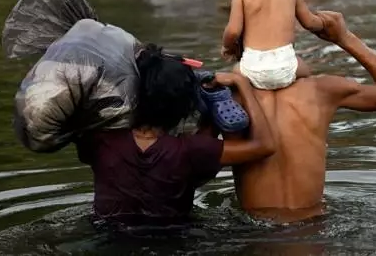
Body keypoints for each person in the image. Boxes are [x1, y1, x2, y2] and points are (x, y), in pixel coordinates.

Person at [211, 10, 376, 223]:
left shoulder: (224, 99)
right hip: (313, 226)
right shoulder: (322, 90)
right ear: (288, 43)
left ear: (236, 47)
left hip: (253, 231)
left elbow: (191, 159)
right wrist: (345, 38)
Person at [75, 44, 276, 225]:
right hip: (175, 239)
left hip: (108, 235)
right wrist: (242, 85)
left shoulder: (99, 140)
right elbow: (265, 145)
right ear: (184, 107)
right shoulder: (191, 150)